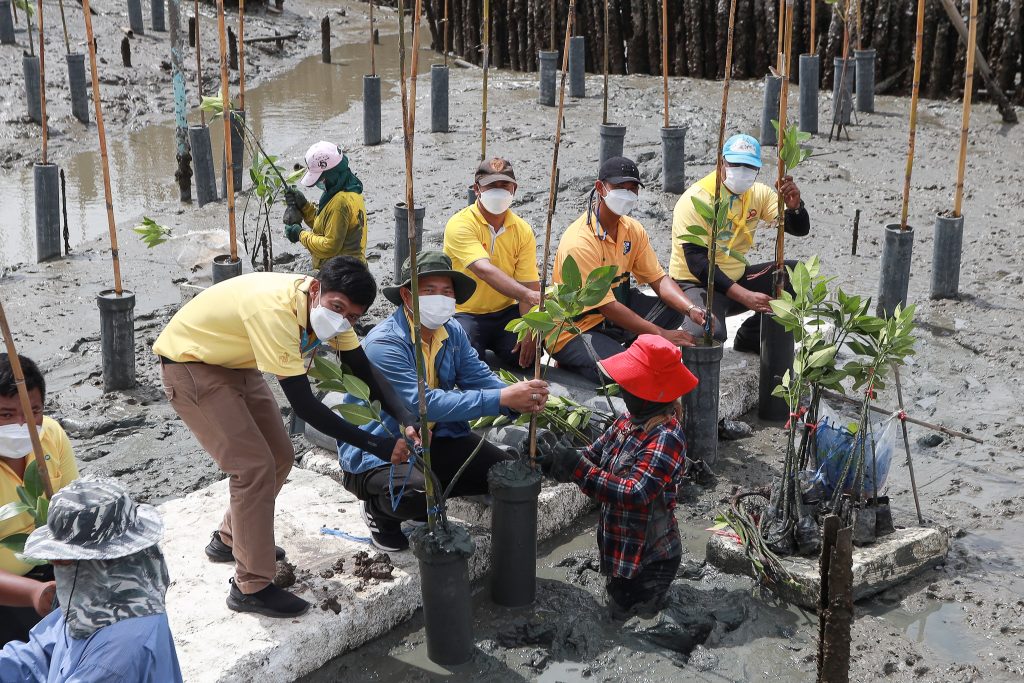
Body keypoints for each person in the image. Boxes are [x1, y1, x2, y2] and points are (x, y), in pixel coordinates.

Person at [153, 256, 419, 618]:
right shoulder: (276, 312)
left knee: (280, 456)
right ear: (315, 289)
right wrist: (378, 445)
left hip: (234, 361)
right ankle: (251, 586)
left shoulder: (332, 314)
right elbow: (306, 407)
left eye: (353, 317)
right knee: (252, 467)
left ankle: (230, 539)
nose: (343, 321)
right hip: (191, 365)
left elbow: (362, 368)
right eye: (338, 308)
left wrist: (405, 418)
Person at [338, 251, 549, 552]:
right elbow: (422, 405)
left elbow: (480, 377)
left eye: (447, 292)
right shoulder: (384, 344)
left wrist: (518, 398)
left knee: (504, 472)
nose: (440, 299)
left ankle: (431, 492)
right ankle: (379, 512)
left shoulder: (452, 333)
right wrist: (502, 397)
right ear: (407, 297)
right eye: (429, 291)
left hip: (435, 440)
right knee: (416, 495)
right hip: (383, 452)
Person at [539, 335, 697, 619]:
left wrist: (578, 468)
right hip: (620, 550)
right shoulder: (626, 422)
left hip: (650, 559)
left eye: (630, 384)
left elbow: (634, 492)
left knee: (637, 621)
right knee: (617, 607)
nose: (623, 388)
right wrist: (555, 463)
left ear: (651, 392)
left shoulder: (666, 437)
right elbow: (593, 454)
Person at [0, 479, 183, 681]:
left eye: (60, 557)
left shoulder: (113, 660)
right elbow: (40, 656)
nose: (54, 562)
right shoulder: (103, 600)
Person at [550, 157, 707, 382]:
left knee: (674, 308)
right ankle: (579, 362)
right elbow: (607, 307)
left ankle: (626, 349)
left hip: (613, 316)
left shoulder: (632, 230)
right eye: (619, 187)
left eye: (632, 188)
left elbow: (658, 279)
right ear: (600, 188)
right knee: (629, 372)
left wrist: (691, 308)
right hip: (579, 327)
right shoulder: (580, 241)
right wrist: (661, 334)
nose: (626, 194)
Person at [670, 133, 809, 352]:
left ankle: (750, 337)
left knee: (798, 275)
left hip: (736, 278)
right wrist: (745, 296)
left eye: (749, 167)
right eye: (735, 164)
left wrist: (795, 207)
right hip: (697, 284)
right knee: (708, 335)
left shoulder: (758, 194)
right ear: (722, 162)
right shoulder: (697, 199)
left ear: (758, 170)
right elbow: (697, 263)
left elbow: (799, 229)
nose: (742, 172)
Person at [0, 354, 78, 646]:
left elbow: (72, 508)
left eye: (33, 411)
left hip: (52, 573)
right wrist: (33, 592)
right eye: (6, 415)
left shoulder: (51, 435)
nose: (22, 425)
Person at [443, 158, 541, 369]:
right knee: (469, 365)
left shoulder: (523, 230)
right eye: (491, 185)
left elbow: (530, 283)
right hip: (464, 312)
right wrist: (527, 296)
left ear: (514, 189)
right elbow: (483, 270)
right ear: (477, 189)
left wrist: (531, 329)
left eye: (504, 185)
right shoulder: (460, 224)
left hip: (505, 312)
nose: (499, 191)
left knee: (526, 358)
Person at [283, 141, 368, 268]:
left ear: (332, 173)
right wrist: (305, 207)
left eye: (321, 179)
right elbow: (327, 225)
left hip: (342, 273)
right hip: (350, 266)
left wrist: (300, 234)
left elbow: (330, 246)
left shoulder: (341, 202)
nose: (320, 183)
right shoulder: (347, 189)